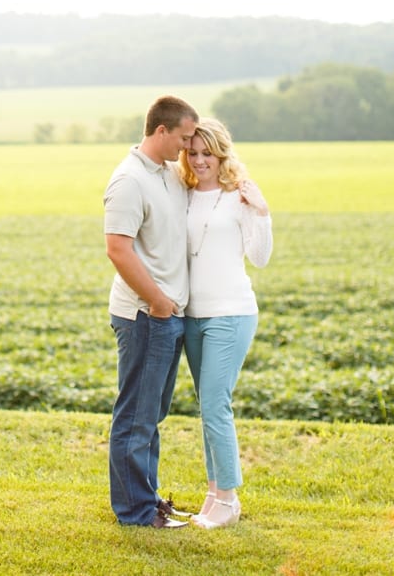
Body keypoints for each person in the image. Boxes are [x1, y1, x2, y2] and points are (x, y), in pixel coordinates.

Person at [104, 94, 199, 529]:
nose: (186, 146)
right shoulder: (128, 181)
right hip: (145, 315)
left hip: (168, 315)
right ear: (160, 131)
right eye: (182, 138)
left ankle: (148, 498)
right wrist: (158, 302)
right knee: (136, 417)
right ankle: (136, 513)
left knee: (151, 415)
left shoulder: (166, 175)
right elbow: (118, 250)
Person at [177, 116, 273, 529]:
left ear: (222, 154)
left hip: (231, 312)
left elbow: (261, 257)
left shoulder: (239, 197)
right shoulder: (182, 194)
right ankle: (213, 493)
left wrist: (263, 213)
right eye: (193, 153)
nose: (200, 161)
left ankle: (229, 501)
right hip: (192, 316)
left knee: (217, 404)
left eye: (208, 154)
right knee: (207, 406)